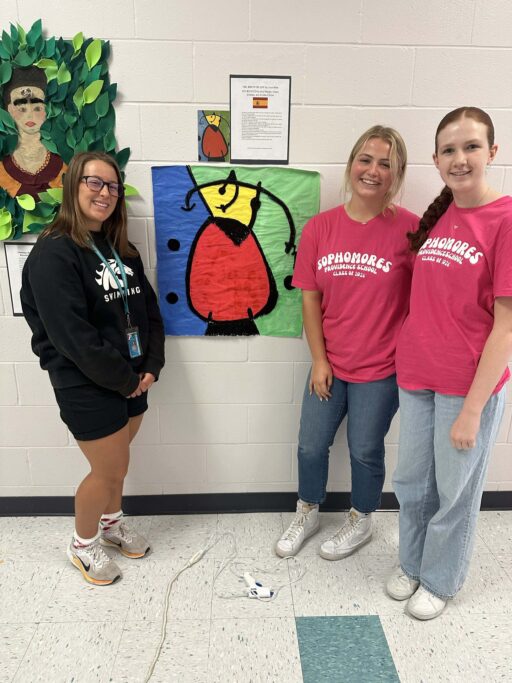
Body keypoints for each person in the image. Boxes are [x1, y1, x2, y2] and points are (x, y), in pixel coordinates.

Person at [387, 107, 512, 620]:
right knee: (412, 483)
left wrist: (472, 411)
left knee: (453, 492)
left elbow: (505, 327)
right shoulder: (441, 214)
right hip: (417, 375)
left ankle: (440, 579)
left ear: (493, 152)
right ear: (436, 160)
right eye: (448, 150)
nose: (459, 159)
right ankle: (412, 563)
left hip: (467, 388)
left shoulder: (504, 220)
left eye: (471, 147)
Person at [21, 151, 165, 585]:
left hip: (133, 380)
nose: (105, 193)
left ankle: (111, 525)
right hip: (87, 383)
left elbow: (150, 312)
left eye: (113, 186)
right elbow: (72, 338)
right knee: (107, 471)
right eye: (94, 182)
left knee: (117, 467)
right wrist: (125, 381)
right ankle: (82, 546)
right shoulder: (53, 254)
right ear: (73, 185)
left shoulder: (121, 248)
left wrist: (151, 366)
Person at [275, 126, 418, 560]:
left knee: (365, 449)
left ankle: (361, 519)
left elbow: (427, 299)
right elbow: (310, 299)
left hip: (382, 369)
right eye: (366, 159)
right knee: (311, 445)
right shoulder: (321, 228)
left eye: (385, 164)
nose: (373, 171)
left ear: (397, 175)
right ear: (351, 164)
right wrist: (319, 360)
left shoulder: (412, 230)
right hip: (330, 363)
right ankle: (308, 510)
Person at [0, 65, 66, 198]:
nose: (30, 116)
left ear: (48, 110)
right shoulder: (2, 168)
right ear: (9, 110)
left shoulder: (63, 166)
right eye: (21, 108)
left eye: (37, 108)